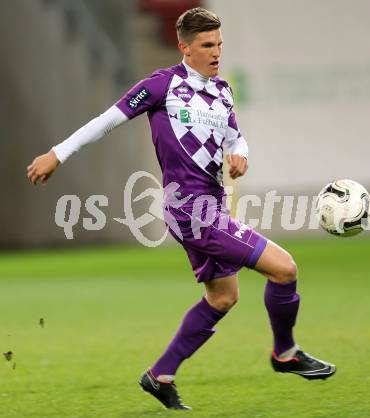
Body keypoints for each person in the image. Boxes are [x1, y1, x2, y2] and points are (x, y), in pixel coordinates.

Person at [27, 7, 336, 410]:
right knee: (285, 269)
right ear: (184, 47)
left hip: (213, 206)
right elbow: (106, 121)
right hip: (191, 210)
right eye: (207, 45)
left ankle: (161, 376)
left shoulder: (222, 90)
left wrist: (239, 154)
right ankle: (286, 353)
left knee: (223, 298)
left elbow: (235, 138)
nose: (215, 52)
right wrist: (57, 153)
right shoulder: (161, 86)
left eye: (219, 44)